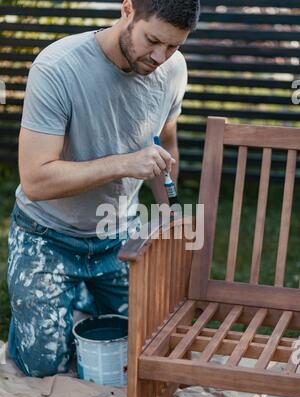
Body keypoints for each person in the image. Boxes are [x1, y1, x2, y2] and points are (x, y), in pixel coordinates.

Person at [7, 0, 201, 377]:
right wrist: (126, 163)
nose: (160, 56)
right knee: (43, 366)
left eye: (174, 46)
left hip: (118, 237)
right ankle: (53, 299)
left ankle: (78, 297)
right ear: (127, 9)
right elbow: (36, 179)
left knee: (150, 343)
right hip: (46, 237)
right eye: (152, 40)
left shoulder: (174, 70)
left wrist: (170, 224)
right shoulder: (58, 67)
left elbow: (167, 144)